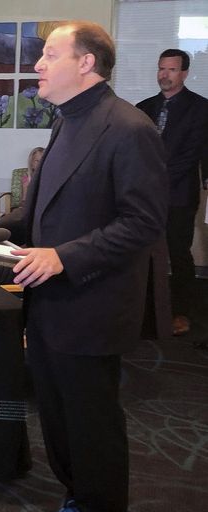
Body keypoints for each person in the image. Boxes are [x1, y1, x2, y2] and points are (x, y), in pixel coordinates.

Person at [0, 22, 167, 512]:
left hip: (91, 304)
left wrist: (63, 256)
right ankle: (76, 496)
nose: (38, 65)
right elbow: (39, 208)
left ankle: (98, 506)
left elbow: (143, 223)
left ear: (86, 62)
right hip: (49, 301)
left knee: (91, 423)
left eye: (51, 55)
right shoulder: (65, 121)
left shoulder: (130, 128)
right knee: (56, 417)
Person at [136, 49, 208, 337]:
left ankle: (181, 312)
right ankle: (144, 309)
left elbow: (189, 156)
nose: (164, 75)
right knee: (141, 253)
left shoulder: (200, 108)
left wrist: (153, 181)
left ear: (185, 73)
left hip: (178, 196)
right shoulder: (143, 107)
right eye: (161, 68)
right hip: (143, 196)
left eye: (172, 70)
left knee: (178, 254)